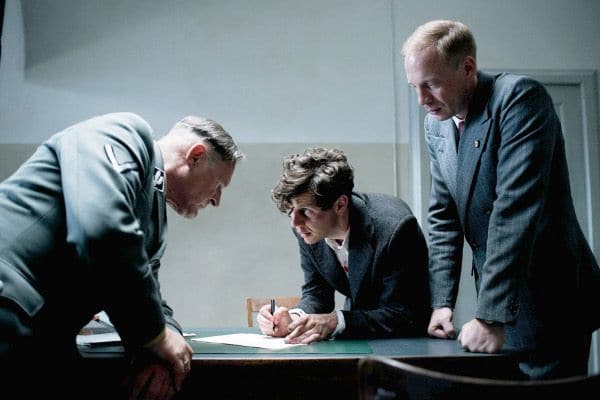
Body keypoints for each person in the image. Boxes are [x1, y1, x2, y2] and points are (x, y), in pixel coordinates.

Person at [402, 19, 600, 379]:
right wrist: (442, 302)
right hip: (500, 302)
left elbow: (513, 211)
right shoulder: (436, 125)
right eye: (414, 86)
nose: (421, 99)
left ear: (467, 68)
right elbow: (443, 217)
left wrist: (490, 315)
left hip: (551, 299)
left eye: (431, 84)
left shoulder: (519, 98)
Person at [0, 112, 244, 398]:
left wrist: (166, 339)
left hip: (41, 332)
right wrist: (155, 337)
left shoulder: (153, 213)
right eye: (219, 185)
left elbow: (150, 295)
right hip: (10, 302)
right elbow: (102, 229)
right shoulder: (124, 133)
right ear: (196, 156)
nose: (216, 200)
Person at [257, 147, 430, 344]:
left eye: (305, 211)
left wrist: (335, 322)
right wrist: (294, 320)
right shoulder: (307, 229)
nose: (294, 223)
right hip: (359, 335)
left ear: (340, 205)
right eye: (290, 210)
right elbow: (317, 293)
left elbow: (405, 314)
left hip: (406, 343)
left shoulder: (396, 228)